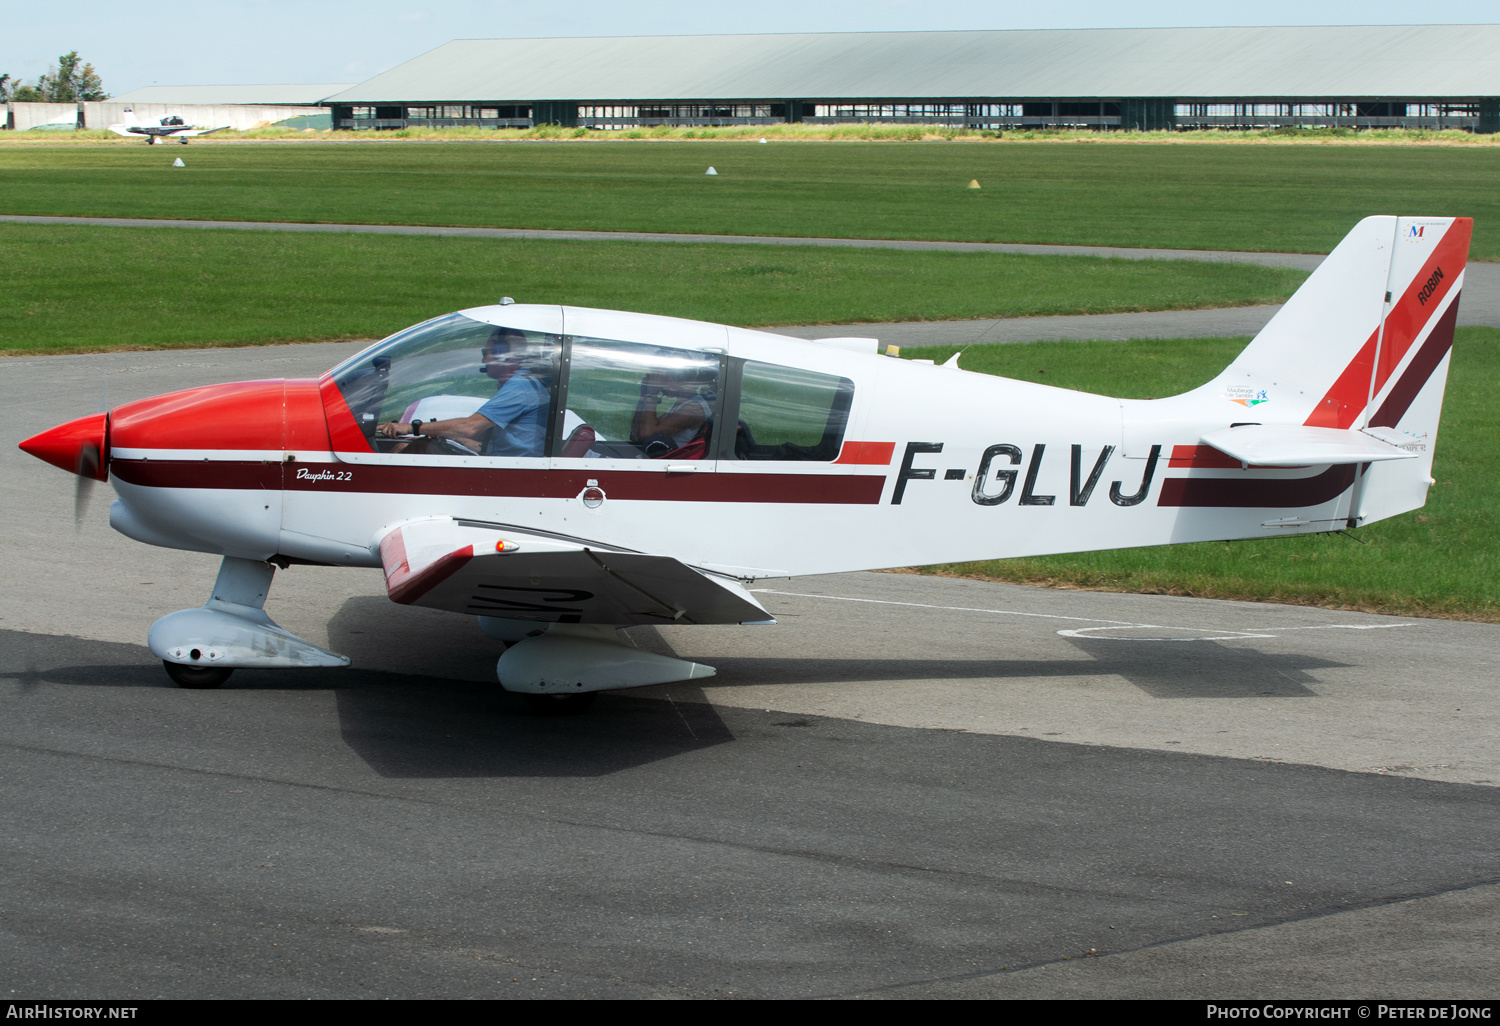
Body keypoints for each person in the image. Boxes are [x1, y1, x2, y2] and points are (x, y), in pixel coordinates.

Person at [377, 327, 555, 456]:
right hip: (503, 459)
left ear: (504, 355)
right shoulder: (522, 383)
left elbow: (470, 428)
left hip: (506, 469)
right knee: (411, 445)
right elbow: (486, 432)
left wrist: (411, 427)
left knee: (417, 448)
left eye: (486, 352)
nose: (484, 359)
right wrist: (441, 431)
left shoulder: (520, 387)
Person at [631, 364, 715, 457]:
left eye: (662, 381)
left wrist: (652, 394)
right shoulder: (680, 405)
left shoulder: (693, 409)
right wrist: (643, 395)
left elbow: (645, 434)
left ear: (677, 380)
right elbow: (636, 435)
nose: (660, 385)